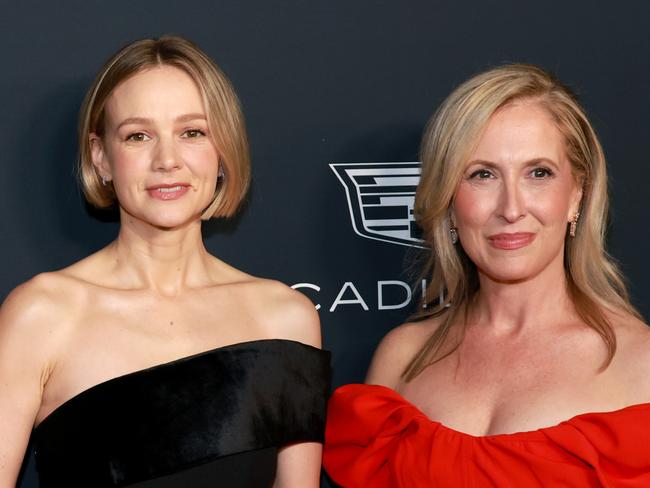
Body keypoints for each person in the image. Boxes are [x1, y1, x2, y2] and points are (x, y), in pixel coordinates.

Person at [0, 36, 330, 488]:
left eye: (192, 132)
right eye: (138, 136)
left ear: (222, 151)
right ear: (101, 158)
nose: (167, 160)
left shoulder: (283, 318)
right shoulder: (42, 314)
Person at [323, 64, 650, 487]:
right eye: (482, 175)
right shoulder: (402, 356)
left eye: (538, 173)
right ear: (448, 200)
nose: (511, 209)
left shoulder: (640, 363)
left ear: (577, 195)